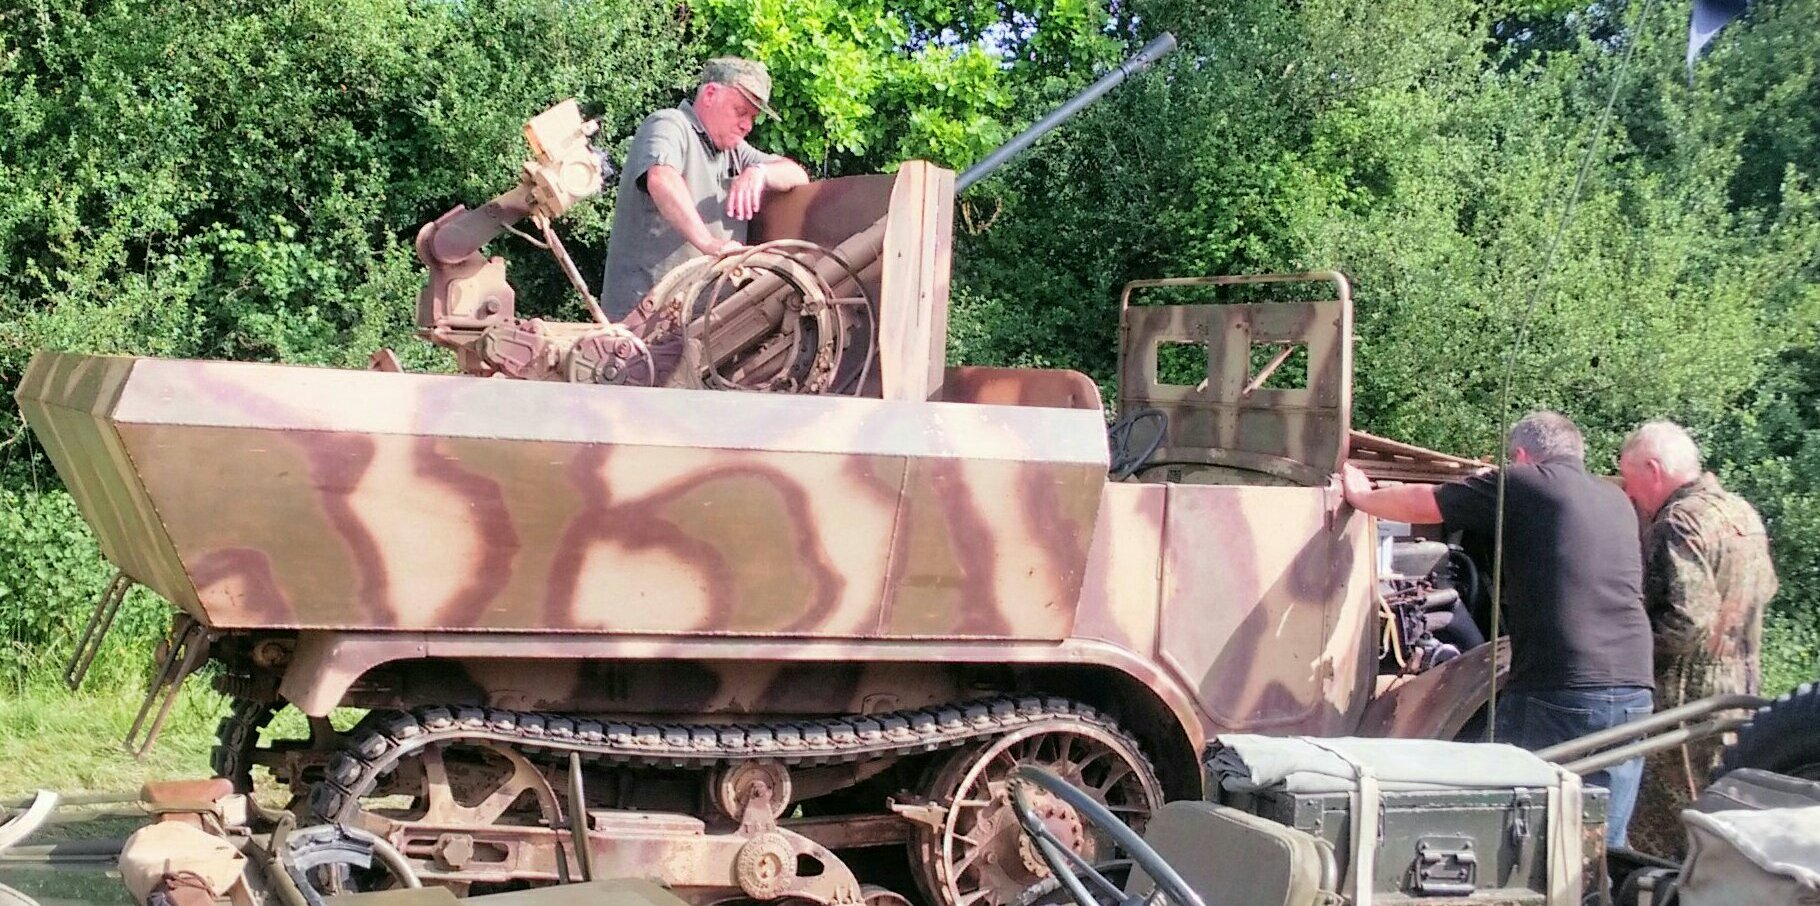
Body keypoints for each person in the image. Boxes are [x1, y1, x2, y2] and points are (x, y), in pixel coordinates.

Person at [1340, 411, 1655, 847]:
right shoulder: (1616, 499)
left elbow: (1424, 503)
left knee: (1520, 831)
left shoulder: (1526, 483)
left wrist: (1362, 497)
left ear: (1521, 455)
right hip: (1634, 688)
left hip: (1559, 688)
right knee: (1604, 842)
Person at [1617, 420, 1779, 858]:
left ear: (1653, 470)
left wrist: (1624, 648)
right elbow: (1765, 589)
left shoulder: (1678, 522)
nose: (1631, 495)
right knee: (1725, 818)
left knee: (1666, 840)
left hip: (1683, 708)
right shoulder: (1741, 512)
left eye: (1631, 482)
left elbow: (1685, 622)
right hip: (1739, 690)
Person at [602, 57, 811, 319]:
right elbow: (661, 179)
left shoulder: (734, 152)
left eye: (753, 117)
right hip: (644, 319)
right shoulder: (670, 124)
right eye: (740, 111)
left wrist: (760, 172)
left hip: (701, 323)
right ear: (711, 94)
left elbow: (798, 176)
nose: (747, 125)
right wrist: (710, 244)